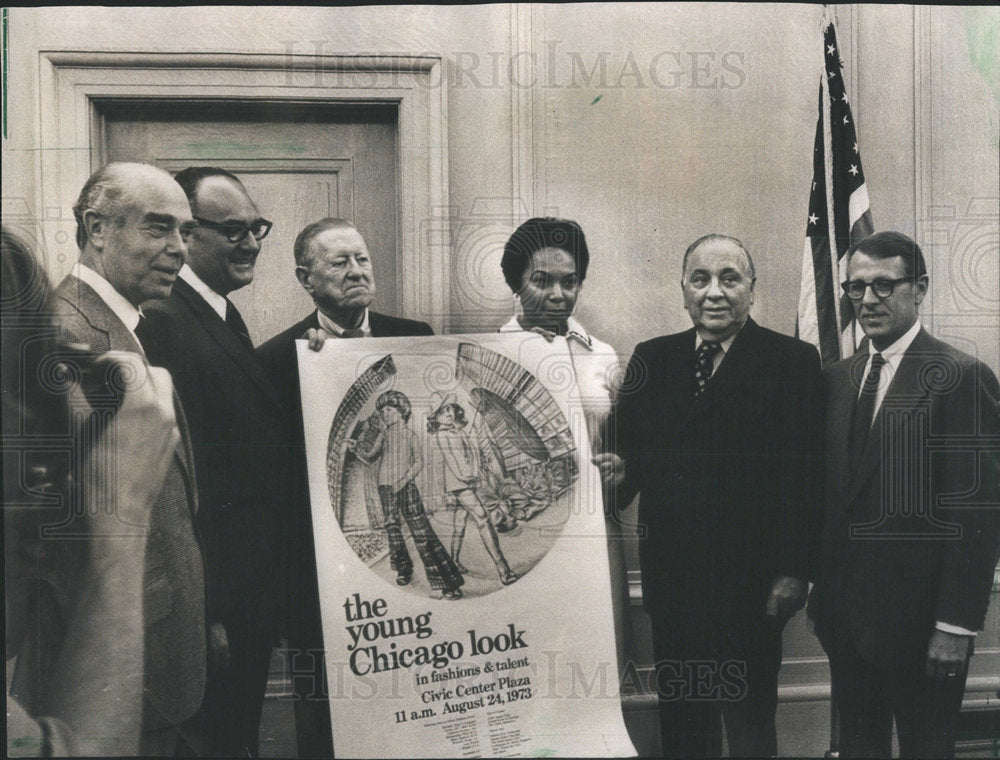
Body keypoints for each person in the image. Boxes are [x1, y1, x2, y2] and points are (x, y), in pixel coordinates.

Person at [14, 163, 209, 756]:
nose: (178, 249)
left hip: (152, 652)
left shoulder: (126, 325)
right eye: (158, 228)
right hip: (115, 677)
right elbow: (57, 539)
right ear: (97, 229)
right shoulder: (63, 335)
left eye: (185, 232)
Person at [607, 233, 824, 757]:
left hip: (753, 591)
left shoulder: (791, 360)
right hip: (675, 586)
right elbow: (623, 467)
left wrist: (795, 571)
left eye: (730, 278)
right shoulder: (651, 359)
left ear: (752, 289)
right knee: (684, 729)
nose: (714, 292)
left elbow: (808, 479)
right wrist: (610, 476)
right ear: (683, 290)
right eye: (700, 279)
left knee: (750, 727)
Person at [808, 231, 1000, 758]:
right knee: (861, 748)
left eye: (884, 286)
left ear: (920, 289)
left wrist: (955, 625)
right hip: (845, 625)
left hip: (924, 632)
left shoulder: (960, 377)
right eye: (856, 287)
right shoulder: (836, 380)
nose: (868, 300)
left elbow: (977, 514)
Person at [257, 217, 433, 757]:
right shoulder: (275, 360)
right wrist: (321, 375)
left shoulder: (418, 338)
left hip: (410, 586)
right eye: (339, 263)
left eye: (362, 258)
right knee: (324, 719)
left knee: (414, 711)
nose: (357, 271)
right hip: (320, 585)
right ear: (305, 278)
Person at [139, 167, 290, 756]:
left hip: (244, 597)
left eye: (256, 228)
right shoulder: (168, 322)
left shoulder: (220, 313)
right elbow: (181, 490)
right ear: (188, 235)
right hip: (217, 608)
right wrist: (209, 614)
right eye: (232, 231)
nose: (251, 242)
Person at [497, 217, 630, 669]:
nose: (558, 294)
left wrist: (619, 467)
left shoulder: (604, 355)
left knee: (599, 659)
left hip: (595, 528)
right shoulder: (492, 353)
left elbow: (619, 441)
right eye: (541, 281)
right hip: (527, 532)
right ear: (515, 283)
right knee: (533, 662)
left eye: (569, 282)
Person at [349, 390, 465, 599]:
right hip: (385, 489)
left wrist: (402, 482)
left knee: (422, 534)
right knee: (393, 530)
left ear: (401, 411)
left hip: (405, 488)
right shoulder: (384, 435)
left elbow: (418, 462)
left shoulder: (410, 435)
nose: (383, 413)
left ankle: (448, 581)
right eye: (381, 410)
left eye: (388, 409)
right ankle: (404, 568)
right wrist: (356, 449)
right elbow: (369, 458)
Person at [426, 392, 518, 586]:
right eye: (443, 411)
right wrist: (470, 475)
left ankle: (454, 561)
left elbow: (472, 455)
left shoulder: (458, 431)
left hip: (469, 481)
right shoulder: (442, 436)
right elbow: (456, 463)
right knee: (482, 518)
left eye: (450, 408)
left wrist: (475, 468)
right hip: (460, 484)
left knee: (460, 522)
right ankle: (503, 569)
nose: (449, 413)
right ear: (435, 417)